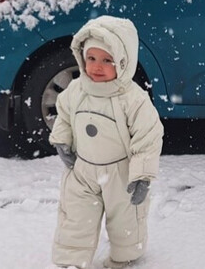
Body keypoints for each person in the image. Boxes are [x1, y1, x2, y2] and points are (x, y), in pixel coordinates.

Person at [49, 15, 164, 269]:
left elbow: (148, 137)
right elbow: (64, 115)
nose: (96, 67)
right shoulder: (77, 90)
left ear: (123, 63)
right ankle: (71, 261)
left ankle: (125, 257)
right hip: (83, 170)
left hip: (120, 174)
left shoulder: (132, 99)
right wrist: (61, 140)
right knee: (76, 217)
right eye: (91, 58)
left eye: (106, 60)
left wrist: (142, 175)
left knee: (125, 218)